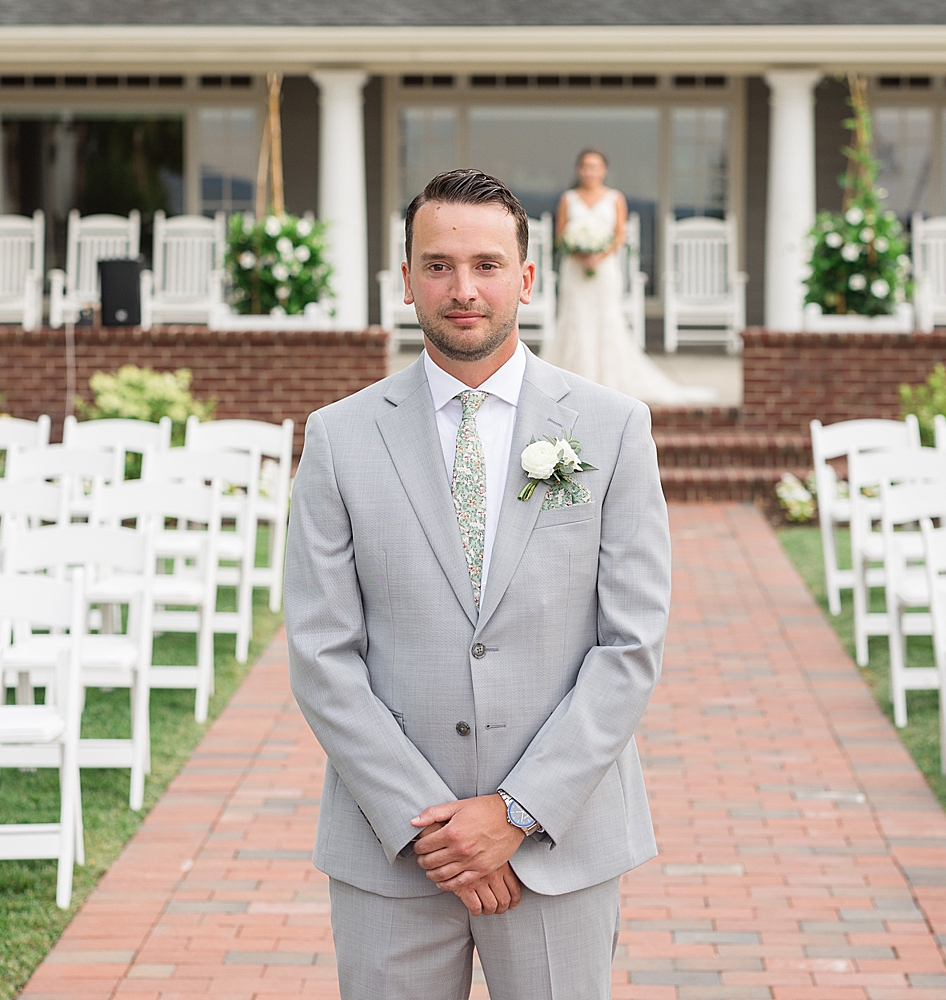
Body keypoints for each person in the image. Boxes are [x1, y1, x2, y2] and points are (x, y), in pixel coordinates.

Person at [285, 167, 671, 999]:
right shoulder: (338, 438)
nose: (464, 289)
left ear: (526, 280)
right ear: (406, 280)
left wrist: (515, 813)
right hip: (391, 849)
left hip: (556, 847)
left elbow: (630, 646)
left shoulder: (612, 429)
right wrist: (435, 830)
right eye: (438, 265)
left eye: (487, 265)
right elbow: (321, 655)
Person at [544, 149, 714, 404]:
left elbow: (619, 237)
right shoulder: (568, 198)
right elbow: (559, 236)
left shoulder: (614, 198)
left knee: (605, 319)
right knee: (576, 318)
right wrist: (579, 252)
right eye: (585, 166)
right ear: (579, 170)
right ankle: (572, 378)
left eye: (595, 166)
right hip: (575, 270)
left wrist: (597, 256)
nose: (590, 171)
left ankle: (604, 380)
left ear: (604, 170)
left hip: (603, 271)